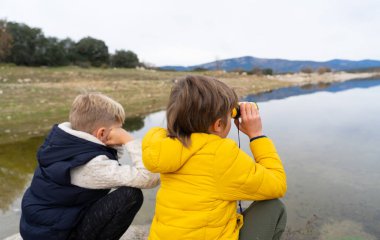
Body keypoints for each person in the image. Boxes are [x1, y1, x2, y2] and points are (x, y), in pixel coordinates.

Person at [142, 75, 287, 240]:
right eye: (229, 115)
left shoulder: (167, 145)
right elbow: (277, 184)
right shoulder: (219, 153)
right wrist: (256, 135)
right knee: (272, 206)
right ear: (218, 124)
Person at [20, 93, 160, 240]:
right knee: (130, 195)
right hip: (56, 234)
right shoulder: (91, 165)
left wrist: (112, 142)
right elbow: (148, 178)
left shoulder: (64, 143)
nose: (120, 133)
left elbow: (107, 156)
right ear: (101, 133)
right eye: (118, 129)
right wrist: (128, 139)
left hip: (42, 229)